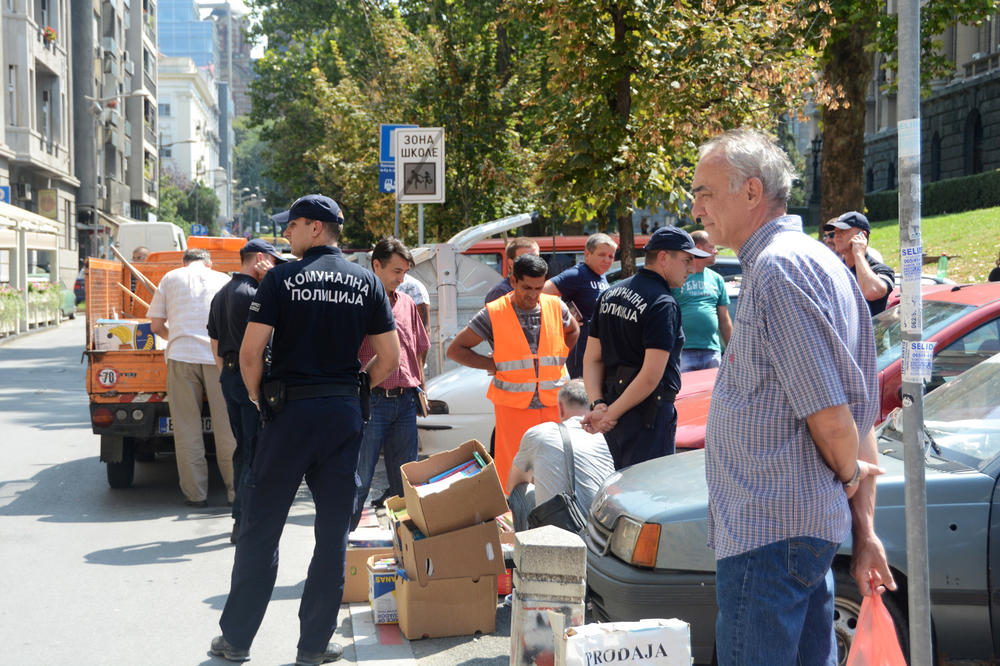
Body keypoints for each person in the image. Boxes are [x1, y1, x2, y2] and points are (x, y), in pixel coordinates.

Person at [692, 129, 894, 665]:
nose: (697, 207)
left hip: (768, 535)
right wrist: (864, 529)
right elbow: (859, 413)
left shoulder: (779, 268)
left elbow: (833, 418)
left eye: (706, 192)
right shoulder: (814, 260)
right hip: (794, 533)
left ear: (752, 191)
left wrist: (851, 479)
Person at [211, 194, 400, 666]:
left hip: (288, 415)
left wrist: (258, 398)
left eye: (292, 225)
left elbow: (251, 355)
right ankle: (313, 647)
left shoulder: (279, 278)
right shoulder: (367, 281)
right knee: (332, 532)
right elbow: (391, 359)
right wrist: (355, 387)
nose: (286, 233)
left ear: (316, 229)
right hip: (341, 416)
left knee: (262, 527)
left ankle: (236, 641)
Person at [447, 254, 579, 489]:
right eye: (527, 287)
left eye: (539, 287)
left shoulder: (555, 306)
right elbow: (456, 350)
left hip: (552, 404)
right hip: (513, 407)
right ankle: (514, 521)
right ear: (513, 280)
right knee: (514, 473)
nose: (533, 294)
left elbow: (573, 331)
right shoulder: (494, 313)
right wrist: (492, 365)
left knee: (555, 469)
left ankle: (553, 521)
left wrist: (561, 354)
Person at [581, 226, 707, 469]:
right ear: (663, 258)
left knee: (619, 493)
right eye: (686, 260)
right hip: (647, 418)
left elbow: (592, 359)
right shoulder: (662, 302)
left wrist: (599, 405)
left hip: (612, 410)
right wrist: (608, 414)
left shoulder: (610, 293)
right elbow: (650, 376)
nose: (692, 269)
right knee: (650, 497)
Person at [207, 238, 286, 543]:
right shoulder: (256, 293)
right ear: (260, 259)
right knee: (256, 450)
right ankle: (244, 519)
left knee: (244, 447)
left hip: (229, 376)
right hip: (251, 376)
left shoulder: (222, 293)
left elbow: (213, 340)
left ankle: (242, 514)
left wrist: (226, 375)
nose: (274, 269)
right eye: (272, 263)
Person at [148, 248, 236, 507]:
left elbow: (155, 326)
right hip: (217, 357)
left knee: (187, 429)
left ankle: (196, 495)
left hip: (181, 356)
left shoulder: (170, 277)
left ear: (183, 262)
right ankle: (235, 493)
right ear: (209, 262)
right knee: (227, 427)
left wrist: (174, 336)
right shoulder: (224, 280)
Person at [352, 237, 430, 529]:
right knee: (359, 480)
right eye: (396, 271)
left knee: (407, 485)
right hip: (371, 401)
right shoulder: (360, 303)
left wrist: (421, 388)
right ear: (376, 265)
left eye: (404, 272)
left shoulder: (407, 303)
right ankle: (342, 556)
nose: (402, 278)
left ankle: (408, 551)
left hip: (405, 402)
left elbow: (419, 348)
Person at [505, 379, 614, 531]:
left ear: (561, 408)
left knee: (522, 492)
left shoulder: (539, 433)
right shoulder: (608, 436)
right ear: (592, 408)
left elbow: (514, 484)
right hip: (603, 531)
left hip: (561, 533)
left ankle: (526, 549)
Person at [542, 233, 617, 378]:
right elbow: (540, 294)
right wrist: (564, 316)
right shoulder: (576, 274)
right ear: (587, 254)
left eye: (611, 256)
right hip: (580, 351)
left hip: (598, 349)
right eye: (602, 255)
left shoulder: (601, 276)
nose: (607, 260)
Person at [671, 230, 732, 372]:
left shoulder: (717, 279)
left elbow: (724, 319)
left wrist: (733, 351)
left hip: (712, 350)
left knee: (712, 393)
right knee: (686, 393)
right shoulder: (678, 276)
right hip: (682, 350)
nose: (716, 251)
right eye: (712, 247)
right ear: (698, 249)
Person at [824, 211, 895, 315]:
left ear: (862, 235)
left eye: (843, 231)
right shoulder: (834, 271)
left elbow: (872, 291)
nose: (836, 236)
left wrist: (858, 253)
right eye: (835, 232)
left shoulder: (881, 270)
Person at [485, 237, 541, 304]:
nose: (534, 262)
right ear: (511, 263)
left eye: (536, 257)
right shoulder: (500, 292)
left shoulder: (542, 290)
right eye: (527, 258)